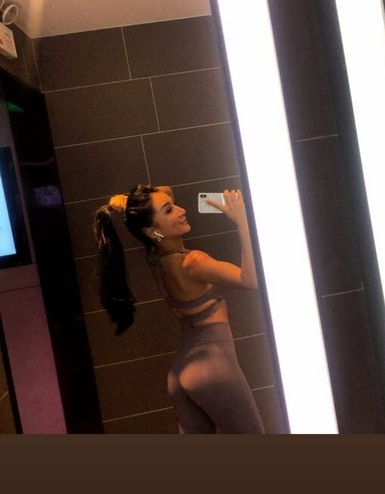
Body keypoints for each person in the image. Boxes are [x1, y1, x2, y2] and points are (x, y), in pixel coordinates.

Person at [93, 184, 265, 434]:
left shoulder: (155, 257)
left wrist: (127, 202)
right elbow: (250, 280)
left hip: (180, 373)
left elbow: (166, 191)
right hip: (212, 365)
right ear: (152, 231)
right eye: (169, 210)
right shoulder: (193, 262)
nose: (181, 210)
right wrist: (242, 221)